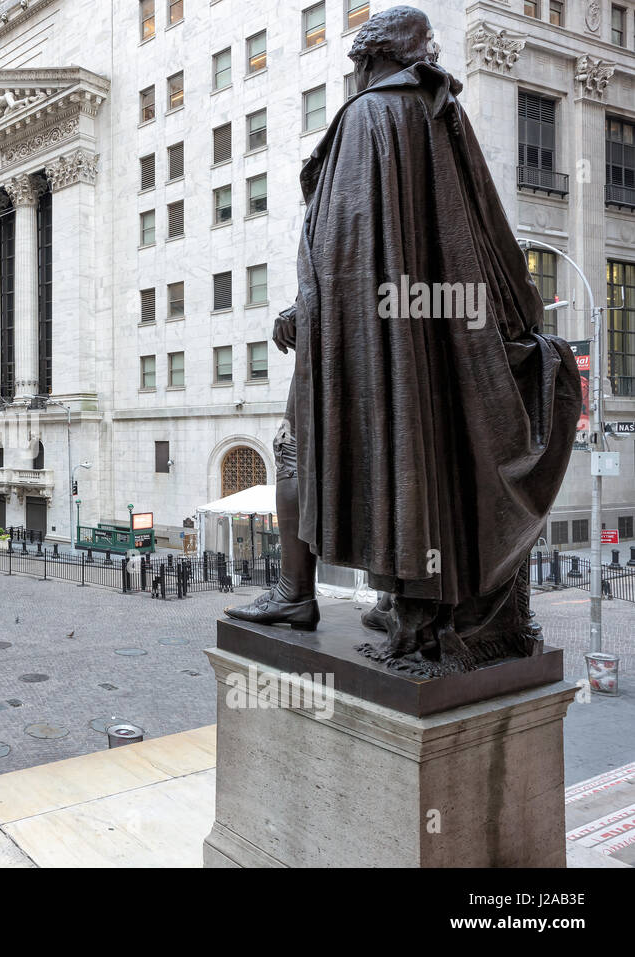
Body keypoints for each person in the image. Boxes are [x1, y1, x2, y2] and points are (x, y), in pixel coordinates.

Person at [223, 6, 580, 673]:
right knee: (414, 456)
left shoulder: (370, 117)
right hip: (434, 343)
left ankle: (296, 594)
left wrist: (309, 312)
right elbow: (479, 235)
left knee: (294, 445)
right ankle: (410, 598)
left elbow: (345, 243)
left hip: (369, 341)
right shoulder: (440, 113)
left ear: (368, 56)